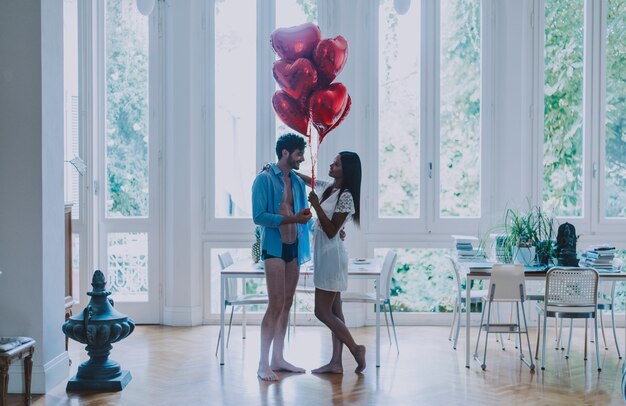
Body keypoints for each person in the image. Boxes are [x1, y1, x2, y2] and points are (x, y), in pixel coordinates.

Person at [297, 151, 366, 374]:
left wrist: (316, 206)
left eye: (336, 164)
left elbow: (331, 230)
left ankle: (356, 349)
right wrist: (284, 169)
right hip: (324, 255)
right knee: (335, 312)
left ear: (346, 170)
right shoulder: (330, 187)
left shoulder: (346, 196)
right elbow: (308, 179)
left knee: (322, 312)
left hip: (332, 257)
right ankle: (336, 363)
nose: (331, 165)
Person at [252, 133, 313, 381]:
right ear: (285, 153)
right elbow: (259, 217)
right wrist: (292, 219)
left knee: (287, 303)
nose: (301, 158)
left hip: (294, 247)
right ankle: (262, 363)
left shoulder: (296, 182)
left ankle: (279, 358)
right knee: (275, 304)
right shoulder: (264, 179)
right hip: (274, 249)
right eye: (298, 153)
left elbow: (319, 187)